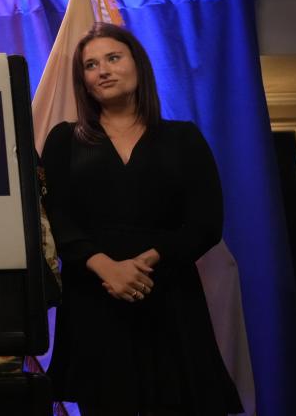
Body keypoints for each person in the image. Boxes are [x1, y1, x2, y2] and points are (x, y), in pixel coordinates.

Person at [41, 23, 242, 415]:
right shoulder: (64, 139)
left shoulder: (184, 138)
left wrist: (143, 264)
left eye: (113, 58)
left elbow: (206, 223)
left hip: (167, 294)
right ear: (83, 80)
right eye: (90, 64)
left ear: (138, 64)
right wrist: (106, 269)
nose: (103, 70)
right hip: (92, 299)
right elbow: (53, 217)